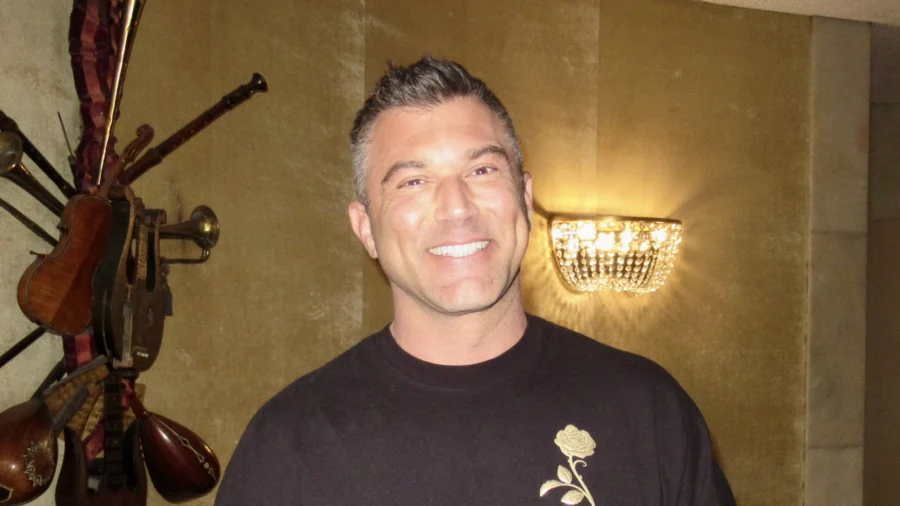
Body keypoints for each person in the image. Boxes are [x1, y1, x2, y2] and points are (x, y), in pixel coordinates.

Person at [215, 56, 736, 506]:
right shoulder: (288, 446)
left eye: (482, 171)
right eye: (413, 181)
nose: (456, 207)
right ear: (365, 228)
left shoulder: (647, 411)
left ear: (524, 199)